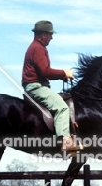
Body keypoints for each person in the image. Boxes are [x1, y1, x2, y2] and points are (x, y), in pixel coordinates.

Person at [22, 20, 82, 152]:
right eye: (50, 34)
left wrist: (62, 76)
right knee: (61, 107)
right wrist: (63, 73)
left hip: (39, 85)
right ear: (43, 35)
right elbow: (45, 71)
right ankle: (66, 142)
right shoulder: (37, 48)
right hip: (36, 87)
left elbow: (42, 72)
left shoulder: (37, 47)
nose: (51, 37)